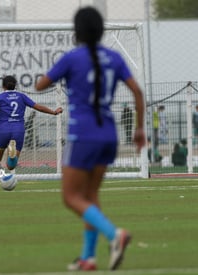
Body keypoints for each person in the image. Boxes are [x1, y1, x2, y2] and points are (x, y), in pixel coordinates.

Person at [35, 6, 145, 271]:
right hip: (109, 134)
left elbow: (40, 85)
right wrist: (139, 130)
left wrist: (51, 76)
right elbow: (138, 93)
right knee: (91, 194)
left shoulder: (72, 58)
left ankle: (113, 234)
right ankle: (88, 257)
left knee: (71, 197)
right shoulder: (114, 58)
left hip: (82, 134)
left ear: (78, 31)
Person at [0, 75, 62, 192]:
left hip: (3, 130)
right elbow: (37, 107)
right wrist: (54, 112)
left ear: (3, 86)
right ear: (15, 85)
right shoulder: (21, 96)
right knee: (11, 166)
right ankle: (12, 155)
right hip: (18, 130)